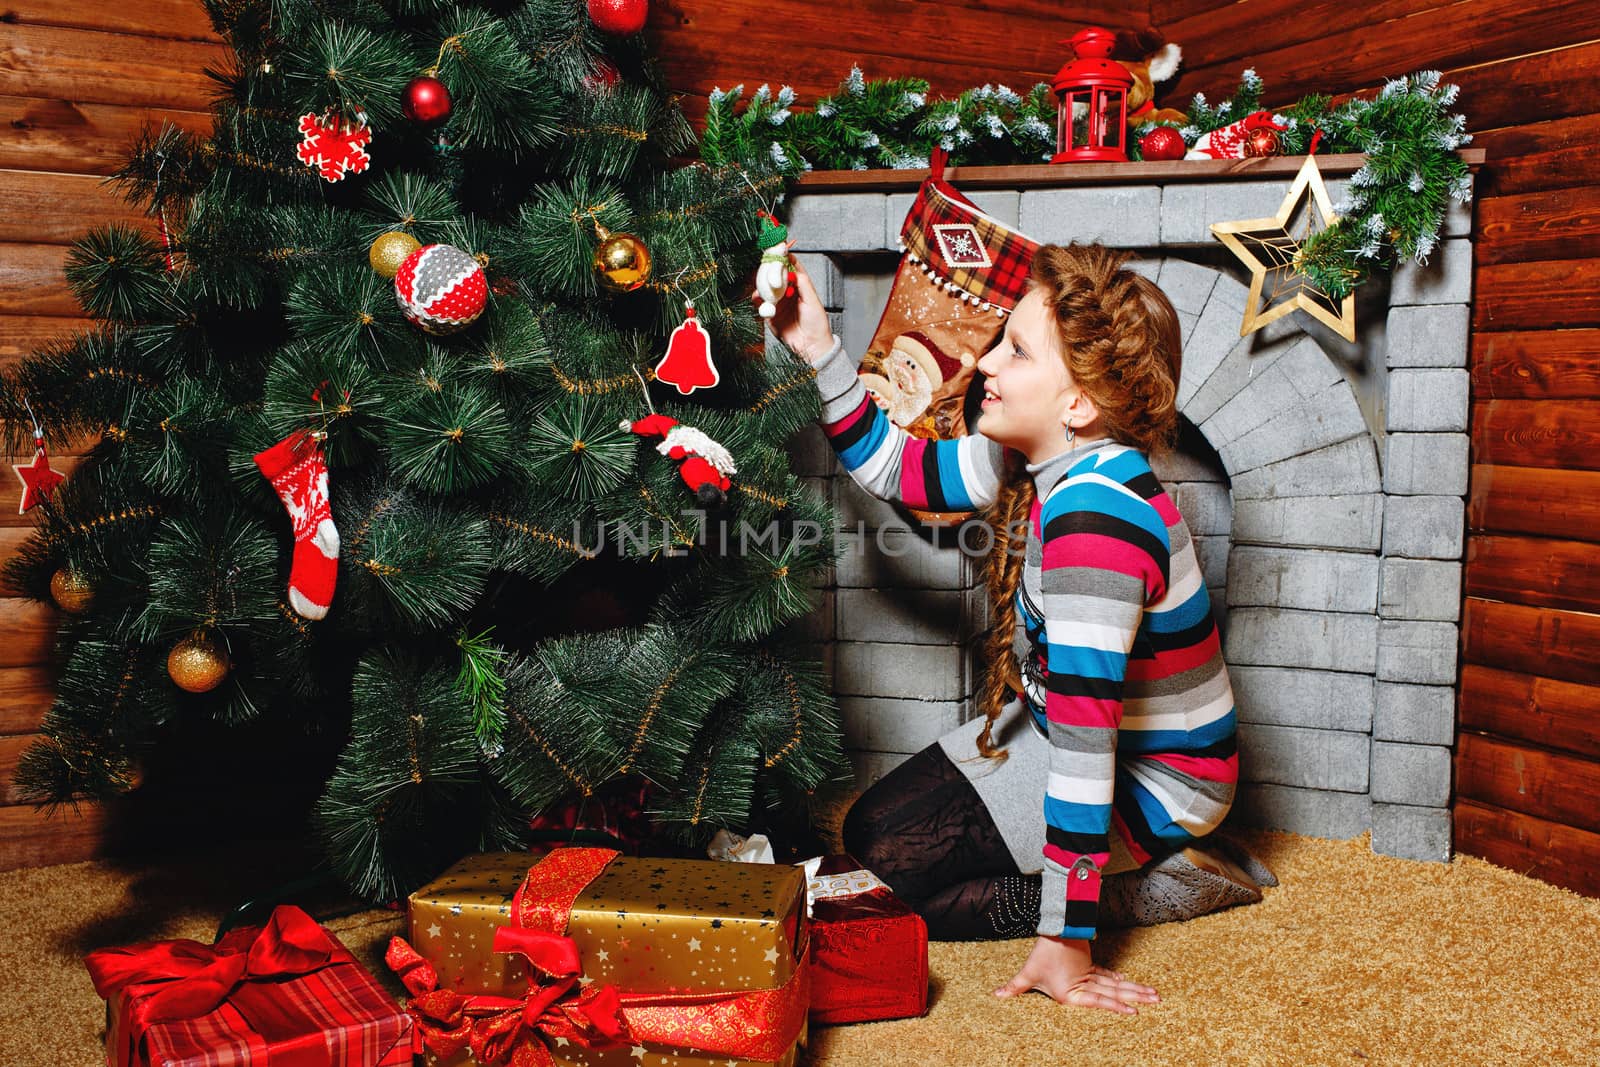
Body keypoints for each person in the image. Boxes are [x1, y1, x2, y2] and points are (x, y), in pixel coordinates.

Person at [769, 241, 1274, 1014]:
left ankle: (1145, 886)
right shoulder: (1041, 453)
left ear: (1077, 405)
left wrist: (1067, 942)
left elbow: (1086, 747)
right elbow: (900, 471)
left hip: (1161, 777)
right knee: (870, 829)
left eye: (1016, 350)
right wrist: (819, 348)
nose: (986, 362)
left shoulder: (1096, 520)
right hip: (1056, 724)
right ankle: (1103, 874)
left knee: (899, 875)